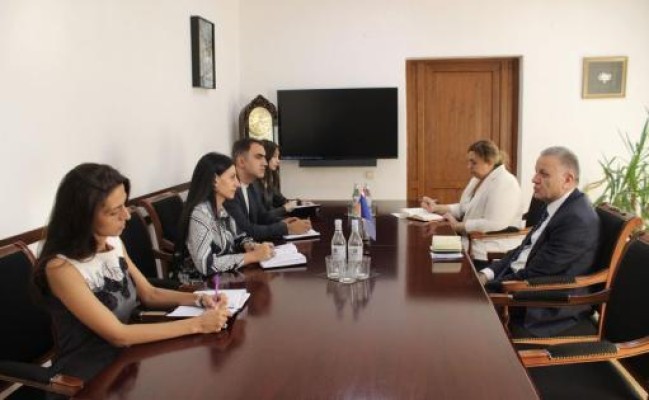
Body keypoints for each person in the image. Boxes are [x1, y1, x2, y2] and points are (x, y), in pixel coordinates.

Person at [32, 163, 230, 386]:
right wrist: (198, 325)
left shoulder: (112, 242)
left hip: (129, 359)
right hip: (88, 378)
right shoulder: (61, 269)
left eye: (124, 205)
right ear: (83, 217)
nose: (126, 216)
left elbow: (150, 294)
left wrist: (199, 298)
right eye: (114, 211)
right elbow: (118, 335)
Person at [479, 146, 600, 337]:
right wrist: (486, 274)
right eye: (536, 172)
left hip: (542, 305)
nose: (534, 179)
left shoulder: (576, 220)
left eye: (543, 174)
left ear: (567, 180)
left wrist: (485, 288)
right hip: (517, 283)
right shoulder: (556, 204)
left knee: (460, 318)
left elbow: (537, 275)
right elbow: (522, 251)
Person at [420, 140, 523, 266]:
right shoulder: (477, 179)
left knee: (437, 264)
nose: (468, 166)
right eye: (469, 162)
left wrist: (458, 226)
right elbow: (464, 208)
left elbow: (494, 224)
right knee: (428, 254)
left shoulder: (506, 183)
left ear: (489, 162)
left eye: (473, 162)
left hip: (490, 251)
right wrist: (436, 208)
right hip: (469, 242)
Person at [176, 152, 274, 279]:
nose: (237, 184)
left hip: (223, 278)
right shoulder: (200, 215)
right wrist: (252, 256)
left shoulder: (221, 208)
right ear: (214, 181)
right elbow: (206, 265)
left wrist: (253, 246)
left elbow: (239, 237)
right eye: (232, 177)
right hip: (199, 285)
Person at [223, 138, 311, 241]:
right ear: (241, 161)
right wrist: (286, 228)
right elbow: (246, 231)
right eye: (259, 157)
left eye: (265, 158)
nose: (265, 163)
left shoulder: (252, 185)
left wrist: (286, 222)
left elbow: (262, 217)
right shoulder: (229, 190)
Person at [255, 140, 298, 219]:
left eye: (278, 157)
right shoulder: (254, 184)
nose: (278, 161)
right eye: (275, 157)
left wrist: (299, 203)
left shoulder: (269, 181)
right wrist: (284, 209)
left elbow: (281, 200)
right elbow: (262, 216)